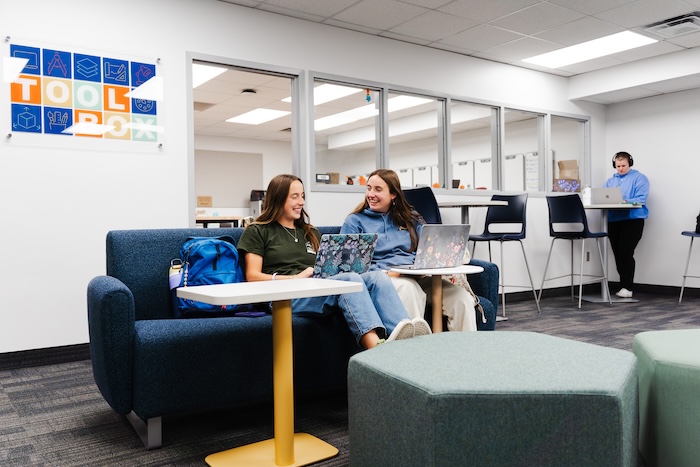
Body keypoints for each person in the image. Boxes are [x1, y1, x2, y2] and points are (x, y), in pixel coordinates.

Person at [237, 174, 430, 349]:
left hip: (316, 288)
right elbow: (252, 276)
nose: (301, 202)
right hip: (284, 296)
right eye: (294, 196)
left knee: (377, 277)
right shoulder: (258, 230)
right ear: (278, 198)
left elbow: (327, 266)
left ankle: (406, 340)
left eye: (302, 196)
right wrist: (295, 278)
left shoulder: (309, 232)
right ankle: (378, 350)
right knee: (350, 281)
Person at [341, 169, 477, 332]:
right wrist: (389, 274)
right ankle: (412, 354)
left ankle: (467, 353)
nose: (371, 194)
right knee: (409, 289)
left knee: (461, 298)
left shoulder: (410, 218)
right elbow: (349, 268)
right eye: (369, 188)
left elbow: (429, 247)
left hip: (417, 273)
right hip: (386, 279)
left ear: (393, 194)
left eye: (378, 189)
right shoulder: (355, 221)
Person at [603, 151, 649, 298]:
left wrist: (625, 201)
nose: (621, 169)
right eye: (618, 166)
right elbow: (603, 197)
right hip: (614, 220)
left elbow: (641, 199)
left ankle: (627, 287)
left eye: (623, 165)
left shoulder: (639, 178)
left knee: (625, 253)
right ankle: (623, 285)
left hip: (632, 220)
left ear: (630, 163)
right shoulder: (611, 181)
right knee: (617, 254)